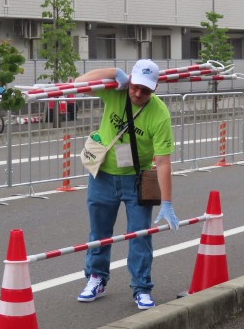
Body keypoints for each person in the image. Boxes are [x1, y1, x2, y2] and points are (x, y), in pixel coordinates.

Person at [75, 60, 179, 310]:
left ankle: (142, 287)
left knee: (140, 235)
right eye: (135, 87)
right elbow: (78, 84)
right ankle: (96, 278)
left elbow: (163, 161)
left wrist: (166, 202)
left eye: (146, 90)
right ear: (129, 80)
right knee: (99, 232)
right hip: (103, 175)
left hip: (137, 178)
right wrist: (113, 73)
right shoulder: (115, 91)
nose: (138, 93)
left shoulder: (159, 113)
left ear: (154, 89)